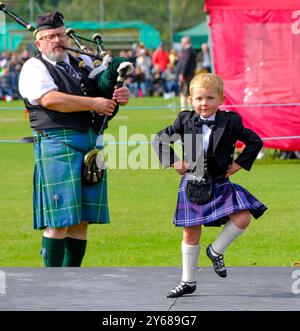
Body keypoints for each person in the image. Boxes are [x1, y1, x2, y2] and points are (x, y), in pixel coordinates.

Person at [18, 11, 130, 267]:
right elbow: (50, 99)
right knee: (60, 222)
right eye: (50, 37)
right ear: (39, 42)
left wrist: (121, 94)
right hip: (58, 146)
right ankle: (53, 281)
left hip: (91, 147)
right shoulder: (34, 67)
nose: (57, 40)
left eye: (60, 34)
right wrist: (94, 103)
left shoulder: (82, 64)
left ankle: (72, 278)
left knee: (81, 222)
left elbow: (104, 91)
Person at [153, 73, 267, 298]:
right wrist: (175, 161)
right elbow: (159, 138)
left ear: (221, 99)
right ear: (190, 100)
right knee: (190, 233)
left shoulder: (231, 122)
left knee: (243, 217)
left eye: (210, 98)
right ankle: (188, 282)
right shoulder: (184, 120)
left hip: (221, 181)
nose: (204, 103)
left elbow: (255, 141)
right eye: (199, 98)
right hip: (193, 182)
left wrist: (239, 164)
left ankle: (215, 251)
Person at [177, 36, 197, 110]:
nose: (181, 44)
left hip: (186, 75)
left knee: (184, 93)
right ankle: (190, 109)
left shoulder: (188, 50)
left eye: (182, 42)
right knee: (189, 92)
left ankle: (184, 110)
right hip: (190, 74)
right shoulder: (192, 50)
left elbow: (185, 63)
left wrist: (182, 73)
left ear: (185, 42)